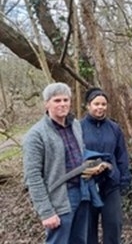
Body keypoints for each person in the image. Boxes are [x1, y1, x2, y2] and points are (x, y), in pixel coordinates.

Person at [23, 82, 90, 244]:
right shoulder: (36, 135)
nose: (62, 104)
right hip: (59, 198)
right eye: (57, 100)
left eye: (65, 100)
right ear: (47, 104)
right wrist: (46, 212)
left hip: (82, 192)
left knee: (80, 240)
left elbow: (80, 155)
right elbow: (32, 177)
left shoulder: (75, 125)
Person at [80, 88, 132, 244]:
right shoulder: (78, 127)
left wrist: (124, 178)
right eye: (96, 104)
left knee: (113, 226)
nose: (100, 107)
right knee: (89, 229)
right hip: (88, 184)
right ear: (88, 105)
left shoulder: (114, 128)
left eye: (103, 104)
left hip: (110, 183)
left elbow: (121, 154)